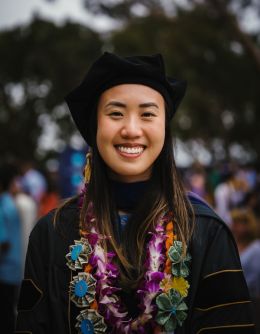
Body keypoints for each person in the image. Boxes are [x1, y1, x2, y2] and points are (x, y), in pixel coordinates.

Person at [15, 52, 255, 333]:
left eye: (147, 114)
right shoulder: (53, 232)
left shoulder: (205, 231)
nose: (131, 129)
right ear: (95, 128)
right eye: (115, 113)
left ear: (164, 127)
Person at [0, 163, 23, 334]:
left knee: (5, 317)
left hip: (4, 270)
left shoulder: (2, 206)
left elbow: (3, 243)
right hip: (14, 268)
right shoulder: (10, 202)